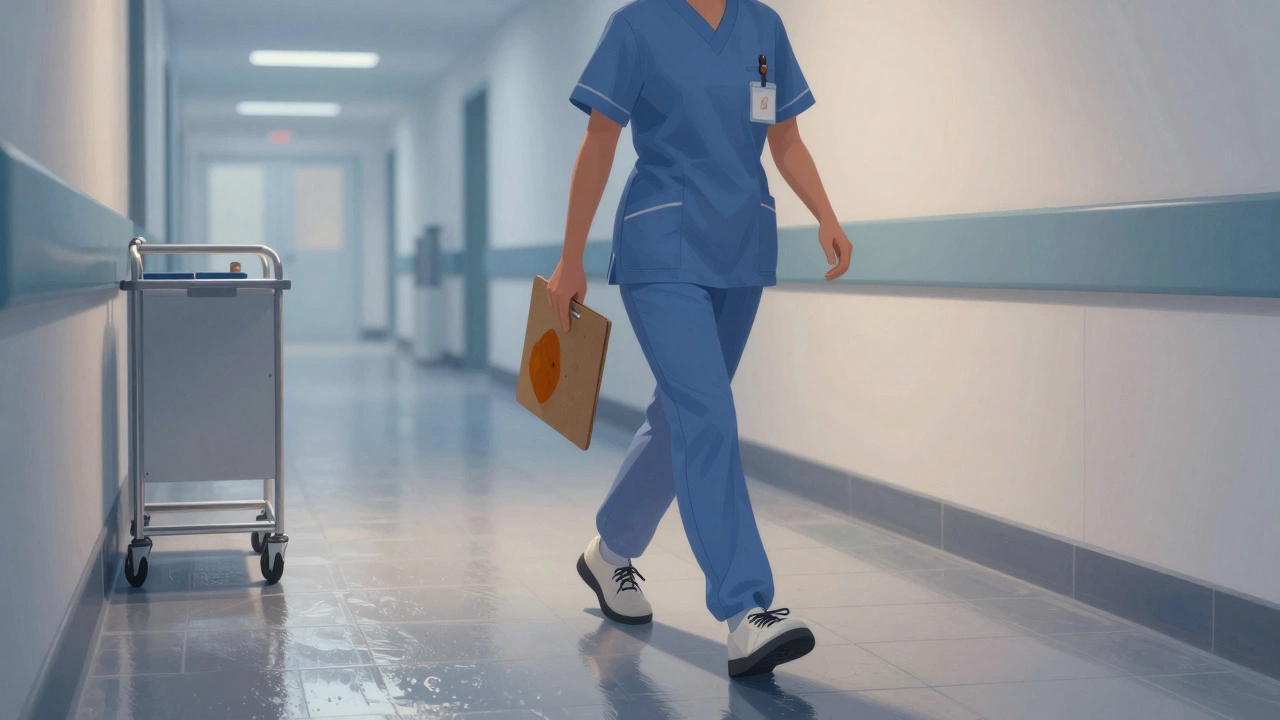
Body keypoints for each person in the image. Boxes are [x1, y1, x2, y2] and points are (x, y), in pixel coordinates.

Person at [548, 0, 851, 678]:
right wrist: (572, 258)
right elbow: (600, 141)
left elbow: (785, 138)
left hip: (741, 247)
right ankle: (747, 609)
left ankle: (610, 552)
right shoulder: (636, 25)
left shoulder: (762, 26)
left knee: (682, 415)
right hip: (663, 246)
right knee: (708, 415)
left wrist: (826, 213)